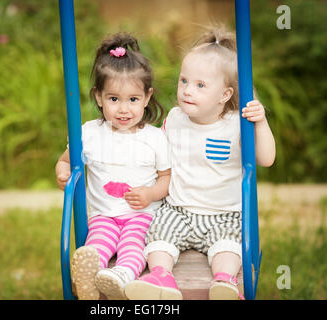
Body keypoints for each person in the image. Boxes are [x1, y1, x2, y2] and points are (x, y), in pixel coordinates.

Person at [124, 27, 276, 300]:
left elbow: (266, 159)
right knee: (158, 235)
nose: (187, 91)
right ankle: (161, 277)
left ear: (225, 95)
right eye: (184, 81)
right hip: (179, 209)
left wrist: (261, 122)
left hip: (223, 213)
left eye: (200, 85)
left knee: (228, 247)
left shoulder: (235, 125)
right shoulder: (174, 118)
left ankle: (224, 282)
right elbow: (153, 152)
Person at [55, 33, 171, 300]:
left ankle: (120, 278)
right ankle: (89, 281)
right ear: (98, 97)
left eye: (133, 99)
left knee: (133, 248)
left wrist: (150, 194)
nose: (123, 109)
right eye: (113, 99)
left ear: (146, 97)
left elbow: (167, 178)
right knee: (95, 246)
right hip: (103, 216)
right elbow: (64, 161)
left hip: (141, 216)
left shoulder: (154, 138)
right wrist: (63, 173)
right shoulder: (90, 134)